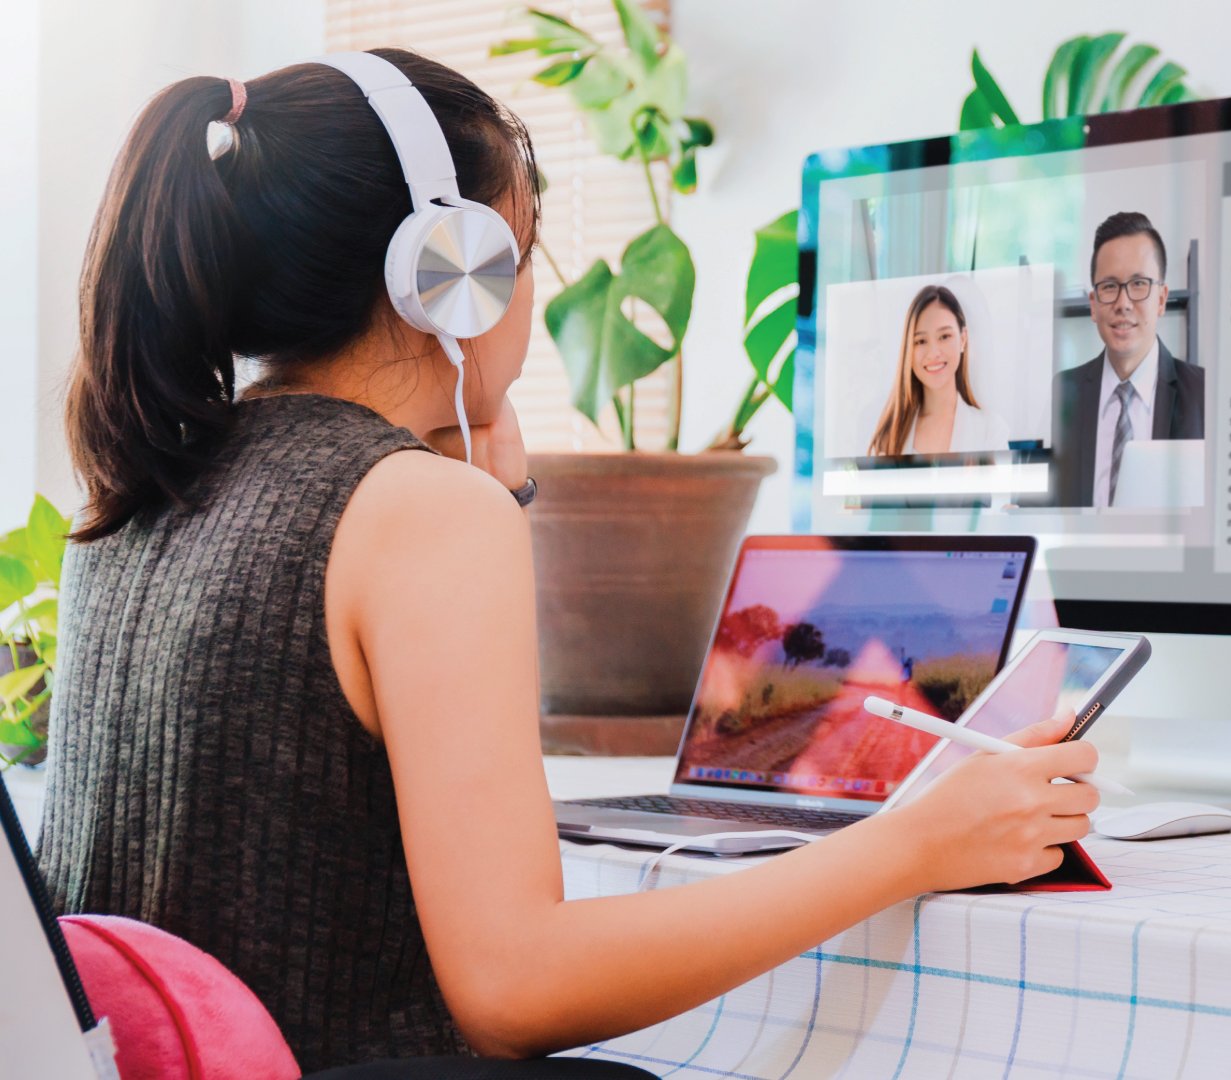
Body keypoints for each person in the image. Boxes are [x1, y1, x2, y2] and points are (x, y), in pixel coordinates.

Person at [34, 50, 1100, 1072]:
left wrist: (479, 483)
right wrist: (918, 842)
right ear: (453, 277)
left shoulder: (143, 487)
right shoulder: (415, 514)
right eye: (523, 251)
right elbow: (513, 989)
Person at [1050, 212, 1205, 507]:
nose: (1123, 303)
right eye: (1109, 286)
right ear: (1093, 305)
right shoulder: (1064, 392)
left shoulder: (1203, 395)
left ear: (1161, 299)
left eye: (1138, 284)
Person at [866, 284, 1010, 456]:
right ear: (908, 350)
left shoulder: (991, 431)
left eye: (944, 337)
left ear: (963, 340)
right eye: (920, 341)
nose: (933, 353)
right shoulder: (888, 437)